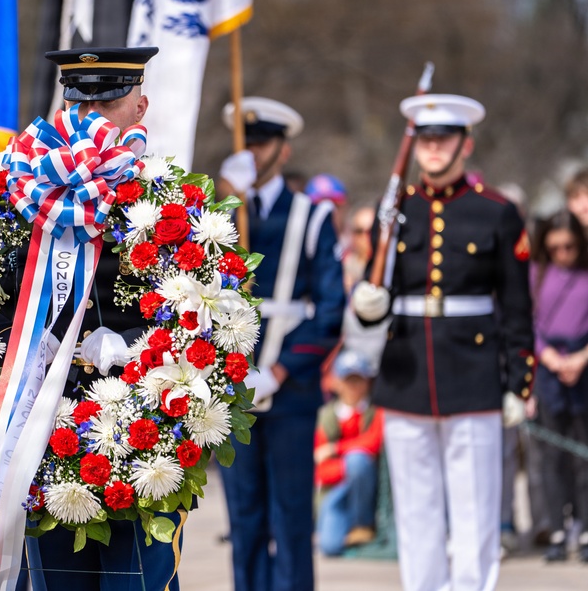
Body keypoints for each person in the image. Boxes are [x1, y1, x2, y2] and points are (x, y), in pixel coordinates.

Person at [0, 46, 190, 591]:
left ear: (140, 108)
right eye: (79, 104)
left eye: (107, 103)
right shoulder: (24, 196)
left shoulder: (165, 201)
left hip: (144, 431)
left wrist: (131, 344)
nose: (91, 117)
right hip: (44, 423)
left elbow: (192, 311)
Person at [351, 94, 534, 591]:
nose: (433, 148)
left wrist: (519, 383)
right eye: (425, 139)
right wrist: (368, 301)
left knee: (475, 507)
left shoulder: (496, 212)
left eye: (444, 138)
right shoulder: (396, 208)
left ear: (465, 145)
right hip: (406, 371)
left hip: (473, 374)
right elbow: (376, 291)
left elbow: (517, 308)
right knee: (416, 508)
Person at [217, 97, 345, 591]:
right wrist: (226, 201)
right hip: (232, 385)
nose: (252, 151)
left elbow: (330, 310)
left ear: (283, 151)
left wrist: (279, 370)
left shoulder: (312, 216)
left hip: (290, 389)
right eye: (245, 142)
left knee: (291, 517)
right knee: (244, 517)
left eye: (263, 142)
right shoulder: (218, 216)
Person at [528, 211, 588, 563]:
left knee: (582, 454)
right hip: (549, 369)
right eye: (555, 248)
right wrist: (549, 357)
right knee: (552, 456)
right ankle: (556, 529)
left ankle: (585, 527)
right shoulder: (536, 274)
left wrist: (581, 358)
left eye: (570, 247)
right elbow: (525, 322)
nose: (563, 254)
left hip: (582, 366)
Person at [314, 349, 383, 557]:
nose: (353, 387)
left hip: (369, 484)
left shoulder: (376, 410)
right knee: (330, 546)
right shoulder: (327, 415)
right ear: (337, 383)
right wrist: (348, 470)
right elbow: (321, 470)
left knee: (357, 461)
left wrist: (335, 449)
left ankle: (362, 525)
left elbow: (373, 442)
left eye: (358, 380)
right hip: (337, 490)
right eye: (348, 380)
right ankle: (348, 530)